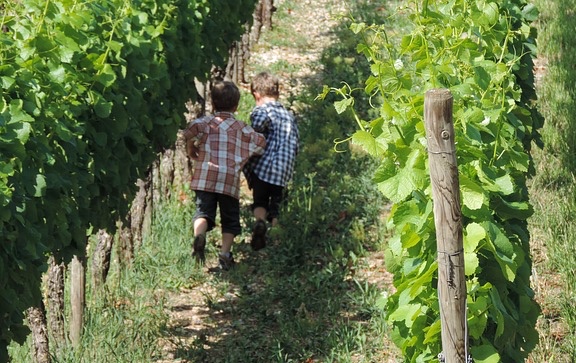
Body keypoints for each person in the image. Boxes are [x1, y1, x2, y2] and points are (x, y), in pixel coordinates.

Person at [183, 80, 266, 270]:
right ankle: (225, 255)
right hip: (229, 179)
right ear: (236, 105)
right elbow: (260, 143)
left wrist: (191, 149)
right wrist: (246, 152)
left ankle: (199, 236)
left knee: (203, 212)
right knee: (229, 219)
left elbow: (188, 132)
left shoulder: (205, 123)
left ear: (212, 103)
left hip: (205, 177)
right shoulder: (241, 127)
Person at [243, 71, 299, 250]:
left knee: (260, 200)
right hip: (284, 169)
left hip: (265, 167)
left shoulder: (262, 110)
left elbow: (256, 131)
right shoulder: (289, 114)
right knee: (276, 201)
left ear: (257, 95)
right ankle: (275, 236)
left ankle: (260, 221)